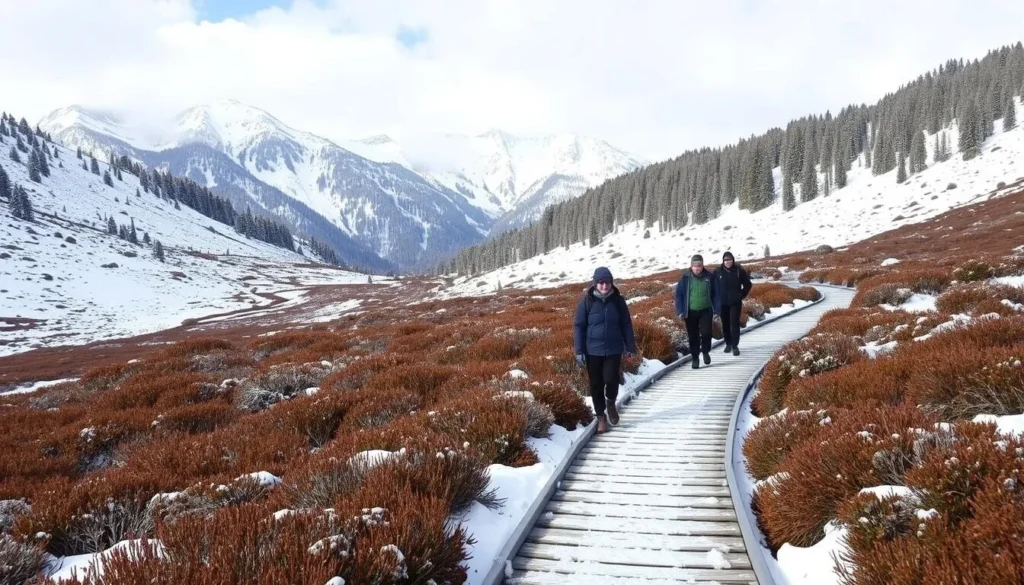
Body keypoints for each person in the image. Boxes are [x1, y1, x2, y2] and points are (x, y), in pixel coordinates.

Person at [574, 267, 638, 433]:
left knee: (611, 379)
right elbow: (579, 326)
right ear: (595, 284)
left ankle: (611, 402)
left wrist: (630, 346)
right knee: (596, 384)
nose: (604, 286)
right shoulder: (587, 301)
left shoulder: (618, 301)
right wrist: (579, 350)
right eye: (601, 283)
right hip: (592, 351)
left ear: (611, 283)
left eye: (607, 282)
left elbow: (626, 324)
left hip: (613, 348)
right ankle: (601, 416)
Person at [674, 254, 721, 369]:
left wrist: (717, 310)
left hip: (706, 310)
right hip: (690, 312)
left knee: (706, 333)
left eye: (699, 265)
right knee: (693, 336)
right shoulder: (685, 277)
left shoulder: (709, 276)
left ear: (702, 265)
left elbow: (716, 294)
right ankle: (695, 358)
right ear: (691, 266)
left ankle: (705, 351)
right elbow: (679, 295)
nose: (697, 268)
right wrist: (680, 310)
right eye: (695, 265)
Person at [716, 251, 752, 356]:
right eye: (726, 260)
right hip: (722, 303)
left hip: (735, 302)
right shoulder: (718, 272)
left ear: (733, 260)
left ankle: (735, 346)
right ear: (723, 261)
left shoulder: (738, 271)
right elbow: (713, 286)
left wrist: (741, 295)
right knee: (725, 324)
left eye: (729, 260)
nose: (728, 262)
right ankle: (728, 344)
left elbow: (748, 284)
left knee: (734, 323)